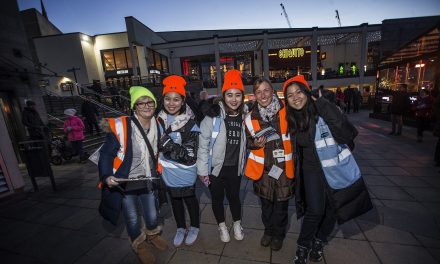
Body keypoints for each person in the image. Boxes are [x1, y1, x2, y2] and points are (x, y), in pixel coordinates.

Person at [282, 75, 372, 264]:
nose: (295, 97)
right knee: (315, 210)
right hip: (310, 170)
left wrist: (323, 105)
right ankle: (302, 247)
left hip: (334, 167)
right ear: (286, 100)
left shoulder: (323, 110)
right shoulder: (289, 118)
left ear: (307, 92)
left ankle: (319, 241)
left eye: (299, 91)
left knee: (333, 209)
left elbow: (347, 134)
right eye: (290, 95)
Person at [98, 86, 168, 264]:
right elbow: (106, 154)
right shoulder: (122, 126)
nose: (146, 106)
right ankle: (139, 243)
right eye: (140, 103)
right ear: (134, 107)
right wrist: (106, 175)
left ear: (154, 103)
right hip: (125, 181)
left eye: (149, 102)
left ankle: (152, 235)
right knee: (132, 218)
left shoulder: (158, 124)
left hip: (147, 179)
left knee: (152, 214)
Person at [244, 78, 295, 251]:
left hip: (284, 168)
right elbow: (247, 142)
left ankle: (278, 235)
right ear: (254, 95)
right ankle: (268, 231)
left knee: (281, 207)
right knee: (266, 207)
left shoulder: (287, 111)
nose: (263, 94)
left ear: (273, 91)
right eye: (259, 91)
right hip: (263, 170)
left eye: (266, 90)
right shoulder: (250, 118)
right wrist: (254, 144)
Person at [197, 70, 247, 243]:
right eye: (230, 95)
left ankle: (237, 223)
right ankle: (222, 226)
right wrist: (203, 171)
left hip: (235, 168)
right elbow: (202, 146)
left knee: (235, 198)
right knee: (217, 199)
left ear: (242, 96)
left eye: (238, 95)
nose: (234, 99)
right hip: (215, 170)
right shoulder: (212, 117)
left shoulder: (246, 116)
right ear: (223, 96)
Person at [157, 75, 201, 247]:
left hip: (186, 173)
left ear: (183, 101)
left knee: (190, 200)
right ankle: (181, 227)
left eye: (176, 99)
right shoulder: (158, 121)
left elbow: (189, 155)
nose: (171, 103)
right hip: (168, 173)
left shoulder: (190, 124)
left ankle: (195, 227)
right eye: (168, 98)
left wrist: (166, 143)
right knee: (175, 201)